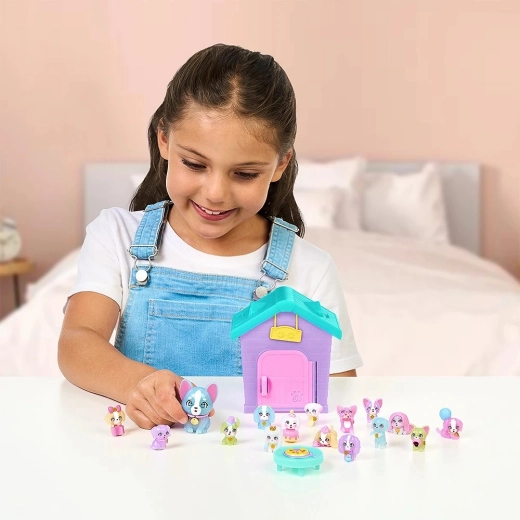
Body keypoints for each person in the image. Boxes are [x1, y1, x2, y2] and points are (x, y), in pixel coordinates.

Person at [58, 44, 363, 430]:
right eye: (195, 164)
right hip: (144, 457)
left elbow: (338, 397)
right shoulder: (116, 236)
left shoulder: (310, 269)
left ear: (279, 165)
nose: (216, 193)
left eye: (245, 174)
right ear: (164, 139)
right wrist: (140, 384)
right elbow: (77, 342)